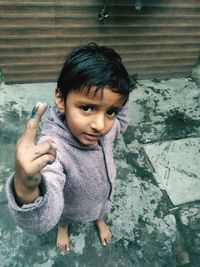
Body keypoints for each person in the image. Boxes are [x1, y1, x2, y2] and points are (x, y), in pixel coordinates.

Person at [6, 43, 132, 251]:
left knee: (101, 210)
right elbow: (41, 221)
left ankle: (99, 218)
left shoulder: (105, 128)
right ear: (60, 99)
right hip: (69, 207)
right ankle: (63, 228)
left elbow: (121, 121)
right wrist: (26, 187)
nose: (100, 126)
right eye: (87, 107)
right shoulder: (53, 148)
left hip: (101, 196)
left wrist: (121, 90)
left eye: (110, 111)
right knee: (63, 217)